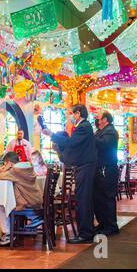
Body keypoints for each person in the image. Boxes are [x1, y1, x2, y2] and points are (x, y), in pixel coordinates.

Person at [42, 104, 97, 244]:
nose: (69, 116)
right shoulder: (83, 127)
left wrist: (52, 135)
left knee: (83, 201)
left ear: (78, 113)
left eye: (71, 113)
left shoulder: (83, 127)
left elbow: (71, 142)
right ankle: (86, 231)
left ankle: (85, 234)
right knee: (83, 199)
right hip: (84, 166)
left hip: (85, 167)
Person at [0, 152, 43, 245]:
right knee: (8, 201)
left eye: (5, 164)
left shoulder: (15, 171)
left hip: (26, 202)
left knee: (3, 204)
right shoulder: (28, 168)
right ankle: (35, 218)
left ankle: (7, 233)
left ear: (9, 163)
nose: (4, 166)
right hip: (35, 200)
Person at [93, 110, 120, 236]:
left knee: (107, 197)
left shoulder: (111, 131)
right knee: (99, 198)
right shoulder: (100, 131)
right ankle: (103, 223)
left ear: (105, 120)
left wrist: (90, 136)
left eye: (99, 118)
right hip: (100, 168)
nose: (97, 120)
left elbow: (103, 144)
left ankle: (111, 226)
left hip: (107, 169)